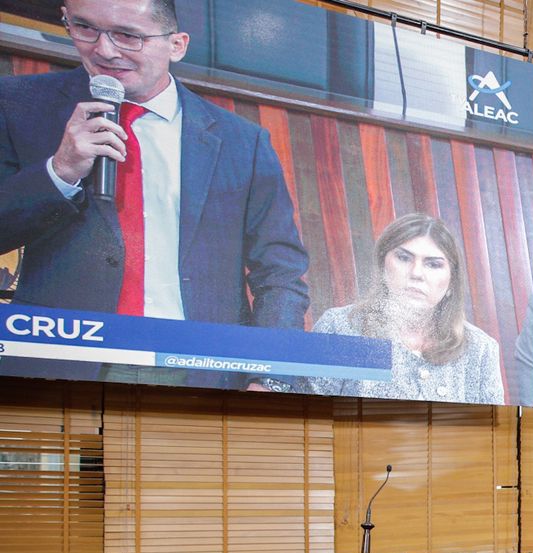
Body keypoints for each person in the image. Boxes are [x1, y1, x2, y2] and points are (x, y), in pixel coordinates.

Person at [0, 0, 309, 383]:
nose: (104, 50)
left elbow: (280, 271)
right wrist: (59, 171)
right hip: (58, 361)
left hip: (197, 368)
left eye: (127, 36)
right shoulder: (18, 105)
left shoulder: (243, 142)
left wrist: (274, 375)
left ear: (177, 45)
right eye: (84, 28)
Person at [309, 213, 505, 404]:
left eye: (433, 264)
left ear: (452, 281)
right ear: (382, 265)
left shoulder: (482, 349)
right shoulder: (335, 326)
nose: (416, 273)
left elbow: (493, 434)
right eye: (403, 258)